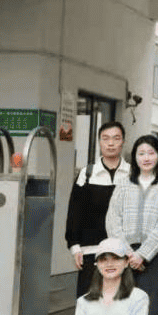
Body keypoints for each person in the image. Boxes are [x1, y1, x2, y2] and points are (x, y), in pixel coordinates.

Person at [105, 134, 158, 298]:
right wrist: (128, 253)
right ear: (135, 157)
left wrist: (142, 255)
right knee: (123, 302)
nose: (146, 158)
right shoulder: (123, 184)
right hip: (124, 255)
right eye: (141, 153)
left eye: (151, 153)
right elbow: (112, 220)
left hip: (157, 255)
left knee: (150, 304)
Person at [65, 121, 129, 298]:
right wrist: (75, 247)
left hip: (123, 252)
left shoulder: (132, 174)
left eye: (116, 138)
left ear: (123, 142)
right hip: (90, 251)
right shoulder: (87, 174)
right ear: (99, 142)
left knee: (120, 302)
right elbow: (74, 213)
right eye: (105, 138)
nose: (111, 143)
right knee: (89, 300)